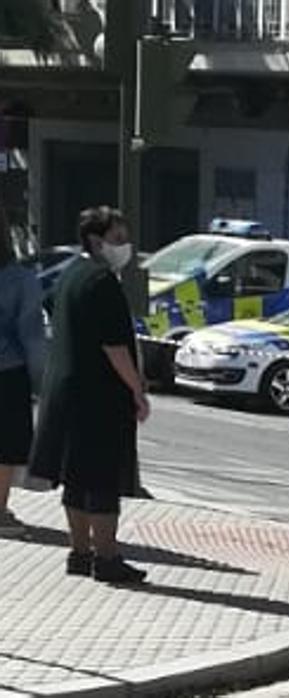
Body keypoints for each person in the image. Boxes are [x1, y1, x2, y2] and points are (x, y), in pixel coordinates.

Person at [29, 206, 150, 584]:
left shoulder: (70, 276)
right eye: (117, 238)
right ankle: (108, 557)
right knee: (101, 481)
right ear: (96, 240)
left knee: (76, 478)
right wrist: (137, 389)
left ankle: (80, 552)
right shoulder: (103, 282)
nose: (124, 246)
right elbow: (114, 347)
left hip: (66, 391)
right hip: (99, 398)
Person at [0, 213, 47, 537]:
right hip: (8, 371)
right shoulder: (19, 278)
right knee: (7, 444)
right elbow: (31, 334)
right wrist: (40, 381)